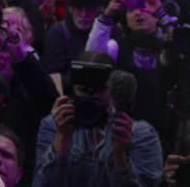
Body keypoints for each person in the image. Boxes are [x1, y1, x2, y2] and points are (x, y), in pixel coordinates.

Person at [33, 52, 163, 186]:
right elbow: (40, 183)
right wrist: (62, 139)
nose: (91, 97)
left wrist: (119, 155)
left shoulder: (138, 133)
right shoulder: (54, 124)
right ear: (73, 89)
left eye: (100, 90)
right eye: (83, 90)